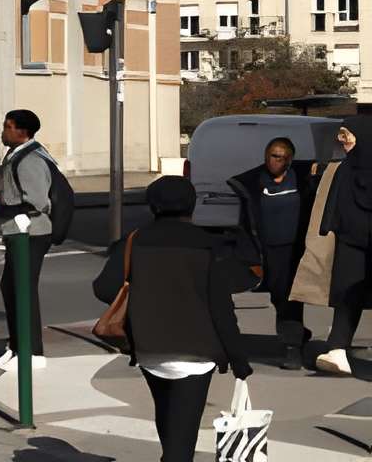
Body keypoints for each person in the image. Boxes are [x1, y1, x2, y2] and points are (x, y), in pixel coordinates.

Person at [92, 176, 251, 462]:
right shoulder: (209, 244)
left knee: (168, 420)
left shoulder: (133, 241)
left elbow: (104, 288)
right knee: (182, 439)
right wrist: (238, 359)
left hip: (149, 349)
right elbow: (222, 309)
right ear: (193, 204)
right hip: (196, 353)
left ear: (152, 206)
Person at [0, 109, 57, 364]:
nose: (3, 131)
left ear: (21, 131)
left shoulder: (30, 159)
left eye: (7, 127)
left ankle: (32, 354)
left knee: (23, 291)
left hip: (31, 233)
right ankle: (17, 347)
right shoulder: (16, 154)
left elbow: (38, 202)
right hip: (19, 232)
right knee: (10, 288)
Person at [231, 135, 317, 369]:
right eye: (274, 156)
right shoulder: (254, 183)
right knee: (278, 296)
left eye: (283, 157)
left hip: (294, 250)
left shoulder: (301, 180)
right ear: (266, 157)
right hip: (265, 250)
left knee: (290, 297)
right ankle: (298, 334)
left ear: (290, 160)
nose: (277, 161)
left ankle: (293, 349)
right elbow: (245, 220)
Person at [316, 123, 372, 375]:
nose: (343, 140)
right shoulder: (346, 167)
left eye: (349, 134)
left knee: (350, 297)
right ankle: (338, 349)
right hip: (351, 243)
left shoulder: (348, 168)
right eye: (342, 135)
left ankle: (339, 349)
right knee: (347, 298)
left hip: (352, 240)